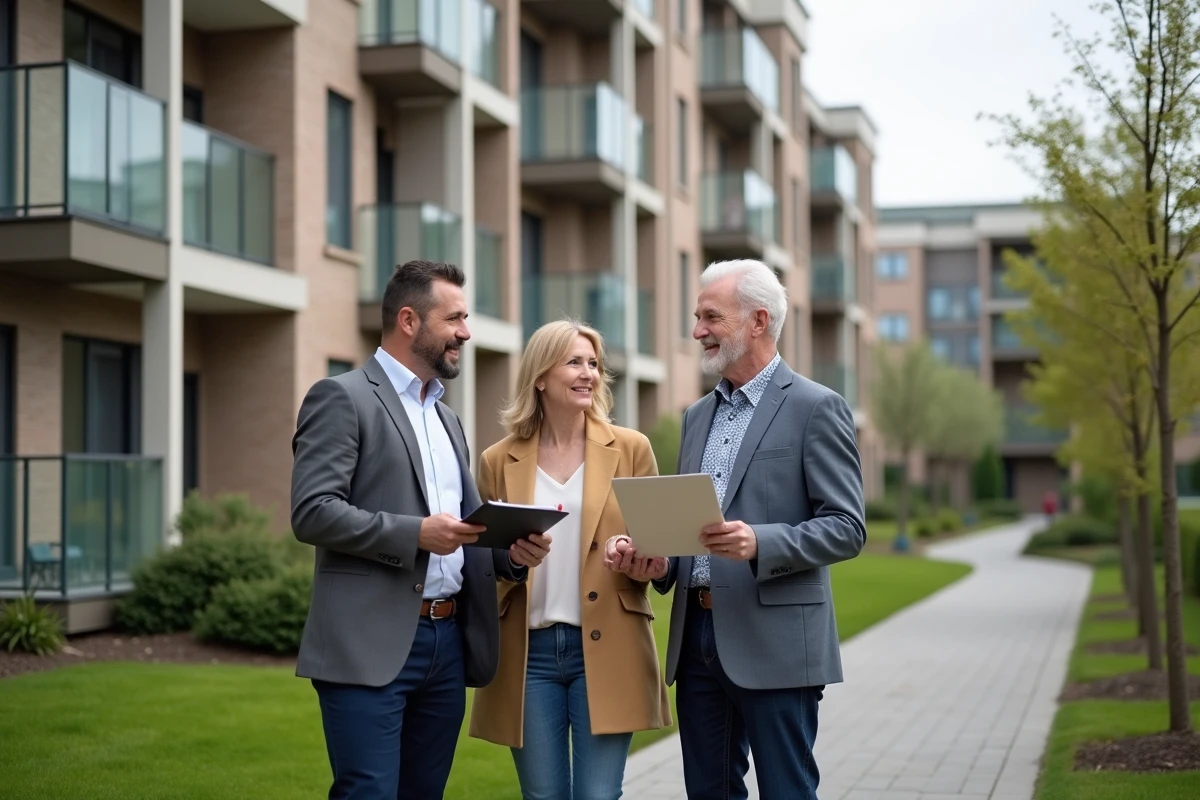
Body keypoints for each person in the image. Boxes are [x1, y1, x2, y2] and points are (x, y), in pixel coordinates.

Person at [605, 258, 867, 799]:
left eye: (710, 317)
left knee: (786, 791)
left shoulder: (817, 407)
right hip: (697, 640)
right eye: (697, 317)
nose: (697, 330)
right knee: (708, 792)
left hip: (776, 642)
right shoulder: (697, 415)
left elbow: (846, 527)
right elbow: (688, 526)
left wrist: (759, 543)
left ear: (758, 321)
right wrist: (656, 559)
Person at [290, 259, 551, 800]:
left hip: (446, 642)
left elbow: (466, 531)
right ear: (409, 320)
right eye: (454, 318)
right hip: (367, 643)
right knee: (368, 792)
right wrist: (415, 534)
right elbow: (312, 511)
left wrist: (513, 554)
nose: (466, 332)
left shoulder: (447, 418)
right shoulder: (341, 397)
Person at [469, 319, 672, 800]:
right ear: (540, 375)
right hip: (528, 654)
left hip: (608, 644)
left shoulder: (631, 448)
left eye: (594, 364)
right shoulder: (498, 459)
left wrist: (638, 553)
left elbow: (659, 542)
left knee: (599, 796)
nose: (589, 374)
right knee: (542, 796)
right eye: (575, 362)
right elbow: (483, 557)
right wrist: (514, 559)